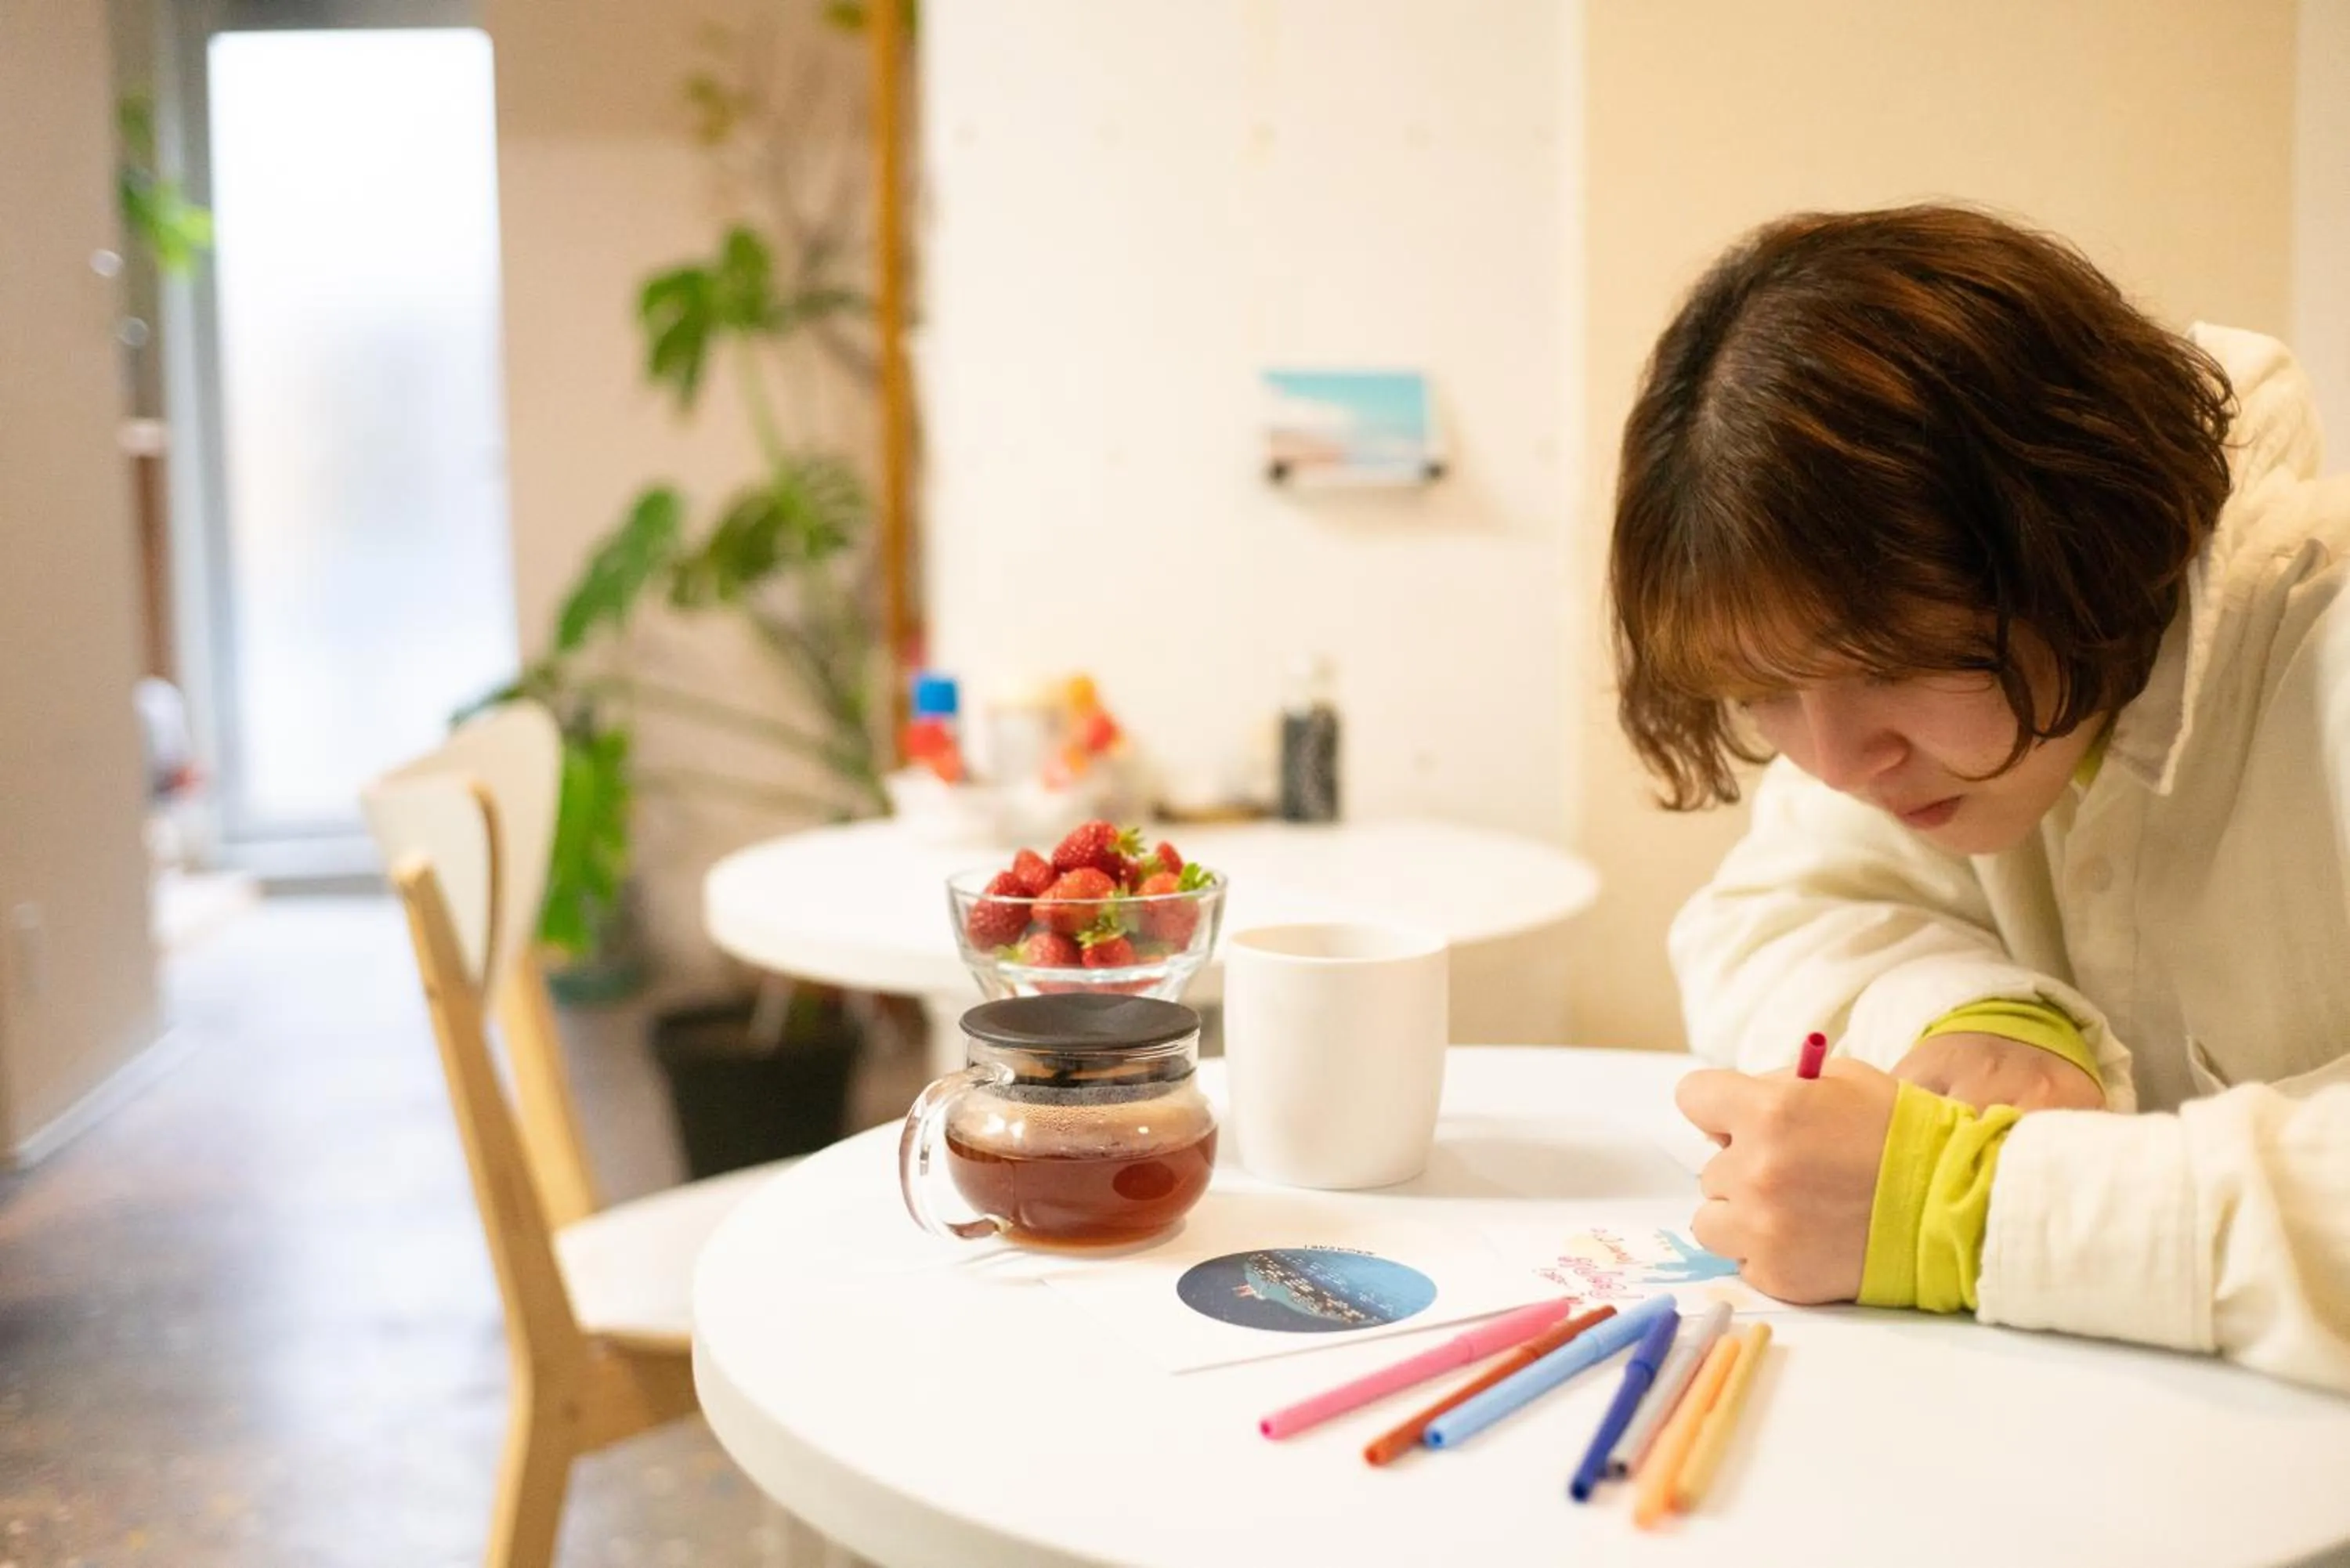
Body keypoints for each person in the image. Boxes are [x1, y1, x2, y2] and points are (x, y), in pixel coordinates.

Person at [1609, 204, 2350, 1393]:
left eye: (1892, 662)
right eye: (1764, 692)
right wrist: (1968, 1014)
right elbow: (1768, 917)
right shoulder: (1929, 740)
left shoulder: (2325, 657)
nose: (1837, 761)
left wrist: (1985, 1208)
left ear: (2077, 536)